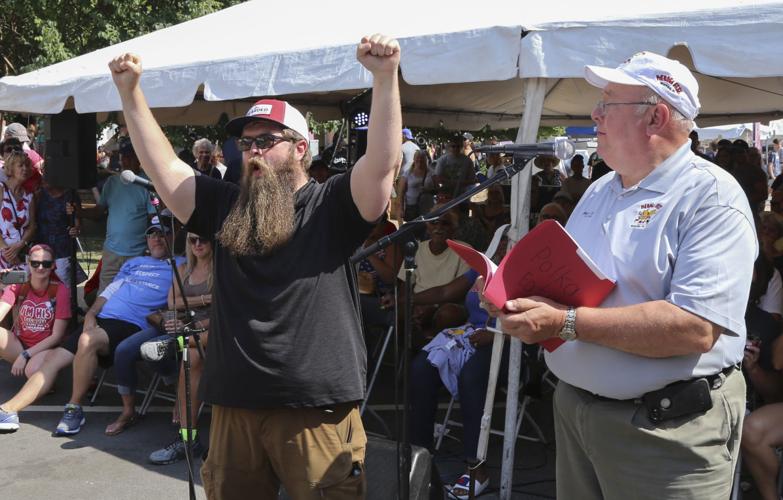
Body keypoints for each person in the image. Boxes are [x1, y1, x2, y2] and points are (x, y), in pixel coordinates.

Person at [108, 33, 400, 498]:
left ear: (301, 148)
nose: (253, 151)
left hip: (314, 409)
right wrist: (130, 93)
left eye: (267, 140)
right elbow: (166, 169)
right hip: (233, 406)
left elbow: (382, 165)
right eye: (246, 144)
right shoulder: (228, 206)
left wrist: (384, 79)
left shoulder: (329, 204)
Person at [485, 52, 756, 498]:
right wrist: (512, 294)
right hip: (577, 414)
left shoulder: (712, 197)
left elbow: (694, 327)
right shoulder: (600, 189)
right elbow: (569, 286)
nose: (595, 113)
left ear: (656, 116)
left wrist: (564, 322)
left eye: (608, 102)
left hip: (664, 433)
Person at [53, 218, 182, 436]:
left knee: (91, 341)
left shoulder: (181, 264)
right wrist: (91, 313)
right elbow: (111, 290)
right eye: (152, 235)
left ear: (173, 237)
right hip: (105, 318)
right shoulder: (134, 262)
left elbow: (178, 300)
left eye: (162, 233)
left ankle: (75, 408)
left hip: (138, 322)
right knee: (63, 352)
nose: (156, 239)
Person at [0, 245, 73, 431]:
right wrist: (3, 284)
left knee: (32, 370)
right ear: (27, 264)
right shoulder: (18, 283)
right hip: (20, 344)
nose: (40, 268)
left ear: (53, 266)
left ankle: (47, 380)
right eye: (35, 263)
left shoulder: (60, 290)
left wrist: (25, 355)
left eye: (46, 264)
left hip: (45, 348)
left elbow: (57, 336)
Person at [0, 150, 37, 270]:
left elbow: (32, 226)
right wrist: (6, 251)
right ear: (11, 168)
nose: (25, 168)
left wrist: (21, 245)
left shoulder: (29, 196)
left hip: (21, 253)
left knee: (20, 288)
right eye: (20, 165)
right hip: (3, 252)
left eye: (27, 165)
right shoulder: (1, 189)